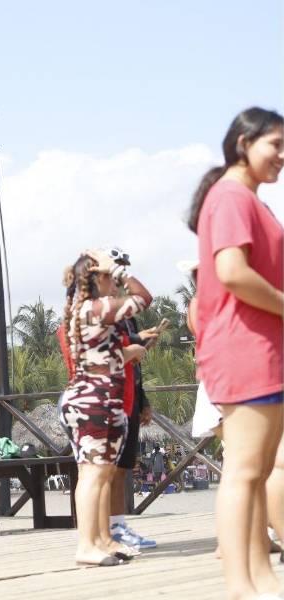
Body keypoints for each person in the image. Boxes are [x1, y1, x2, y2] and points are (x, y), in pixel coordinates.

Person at [188, 107, 284, 600]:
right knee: (245, 471)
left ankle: (261, 578)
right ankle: (240, 585)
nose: (283, 157)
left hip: (264, 349)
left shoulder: (249, 199)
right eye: (276, 144)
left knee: (257, 472)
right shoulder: (229, 196)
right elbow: (231, 272)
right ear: (244, 141)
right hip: (244, 349)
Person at [59, 248, 152, 566]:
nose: (116, 281)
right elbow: (143, 297)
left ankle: (99, 540)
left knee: (99, 474)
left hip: (97, 400)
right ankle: (87, 545)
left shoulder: (87, 310)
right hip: (93, 402)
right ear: (98, 277)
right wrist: (123, 273)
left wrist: (131, 350)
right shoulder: (96, 308)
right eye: (111, 277)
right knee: (93, 475)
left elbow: (104, 358)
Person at [104, 247, 159, 551]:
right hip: (106, 396)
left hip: (128, 394)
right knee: (105, 469)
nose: (121, 275)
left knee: (123, 466)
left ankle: (116, 525)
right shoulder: (100, 309)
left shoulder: (122, 314)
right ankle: (104, 530)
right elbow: (109, 353)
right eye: (118, 269)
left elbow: (131, 354)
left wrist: (143, 401)